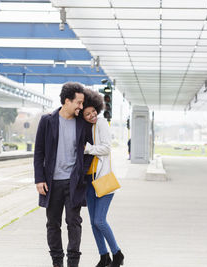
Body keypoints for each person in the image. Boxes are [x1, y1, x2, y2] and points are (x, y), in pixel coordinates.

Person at [34, 82, 92, 267]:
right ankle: (57, 263)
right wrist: (39, 179)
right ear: (67, 101)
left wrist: (81, 174)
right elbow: (39, 152)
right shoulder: (47, 120)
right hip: (52, 183)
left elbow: (89, 152)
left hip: (74, 183)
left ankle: (73, 264)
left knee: (74, 223)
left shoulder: (82, 124)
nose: (81, 107)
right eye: (79, 102)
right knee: (53, 224)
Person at [81, 89, 124, 267]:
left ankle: (117, 253)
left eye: (93, 112)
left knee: (99, 220)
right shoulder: (85, 127)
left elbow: (106, 148)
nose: (91, 115)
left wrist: (88, 148)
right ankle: (103, 256)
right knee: (93, 222)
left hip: (103, 180)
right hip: (88, 181)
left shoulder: (101, 123)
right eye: (86, 113)